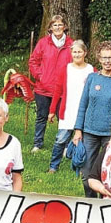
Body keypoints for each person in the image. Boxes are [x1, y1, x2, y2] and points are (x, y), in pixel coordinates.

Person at [73, 41, 111, 197]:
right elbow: (82, 105)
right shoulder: (92, 78)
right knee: (87, 173)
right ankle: (90, 200)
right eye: (104, 57)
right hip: (89, 132)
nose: (107, 61)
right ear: (99, 58)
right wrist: (78, 130)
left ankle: (105, 200)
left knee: (108, 171)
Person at [47, 40, 95, 173]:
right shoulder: (65, 69)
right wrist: (52, 110)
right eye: (74, 52)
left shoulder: (91, 70)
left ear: (85, 53)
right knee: (61, 139)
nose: (77, 54)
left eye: (80, 51)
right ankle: (53, 166)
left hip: (85, 112)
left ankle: (80, 167)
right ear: (71, 53)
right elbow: (58, 91)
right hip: (68, 111)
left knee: (84, 142)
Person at [29, 14, 73, 153]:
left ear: (65, 27)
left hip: (62, 90)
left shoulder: (71, 44)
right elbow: (33, 61)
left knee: (63, 118)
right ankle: (38, 143)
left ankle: (64, 145)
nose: (58, 27)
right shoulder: (43, 43)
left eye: (60, 25)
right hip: (43, 88)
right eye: (55, 25)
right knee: (41, 116)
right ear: (50, 28)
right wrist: (40, 76)